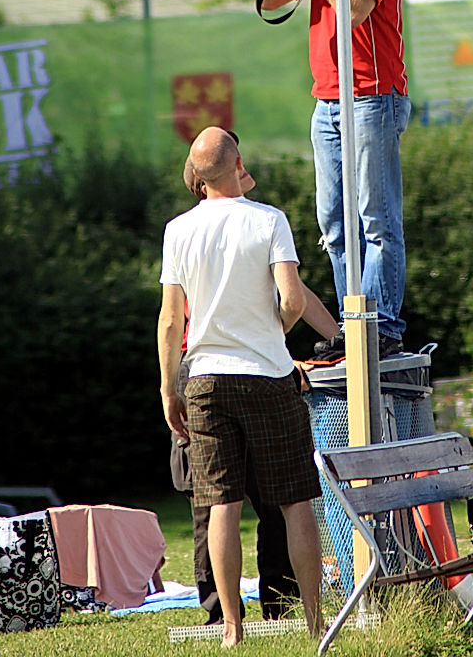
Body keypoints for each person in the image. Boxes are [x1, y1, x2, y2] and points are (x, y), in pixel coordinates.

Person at [158, 127, 323, 646]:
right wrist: (270, 330)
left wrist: (169, 389)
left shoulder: (177, 230)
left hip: (205, 378)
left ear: (197, 175)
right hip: (268, 375)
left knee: (220, 503)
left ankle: (231, 627)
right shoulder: (269, 220)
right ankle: (317, 621)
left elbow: (169, 320)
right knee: (296, 501)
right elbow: (294, 301)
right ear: (239, 164)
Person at [257, 0, 412, 362]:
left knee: (376, 215)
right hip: (327, 99)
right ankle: (354, 320)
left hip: (371, 95)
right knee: (334, 222)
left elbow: (352, 10)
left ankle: (382, 324)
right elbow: (270, 0)